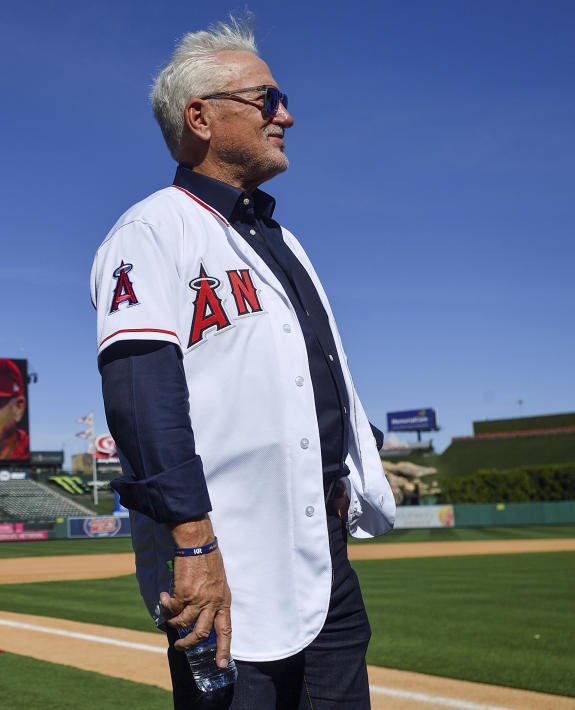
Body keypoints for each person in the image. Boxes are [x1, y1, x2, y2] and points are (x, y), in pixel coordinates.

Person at [90, 14, 395, 709]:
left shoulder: (280, 238)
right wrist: (192, 544)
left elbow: (303, 381)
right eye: (266, 99)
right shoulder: (152, 229)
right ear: (200, 118)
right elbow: (142, 393)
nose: (284, 114)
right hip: (222, 556)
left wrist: (352, 453)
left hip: (322, 552)